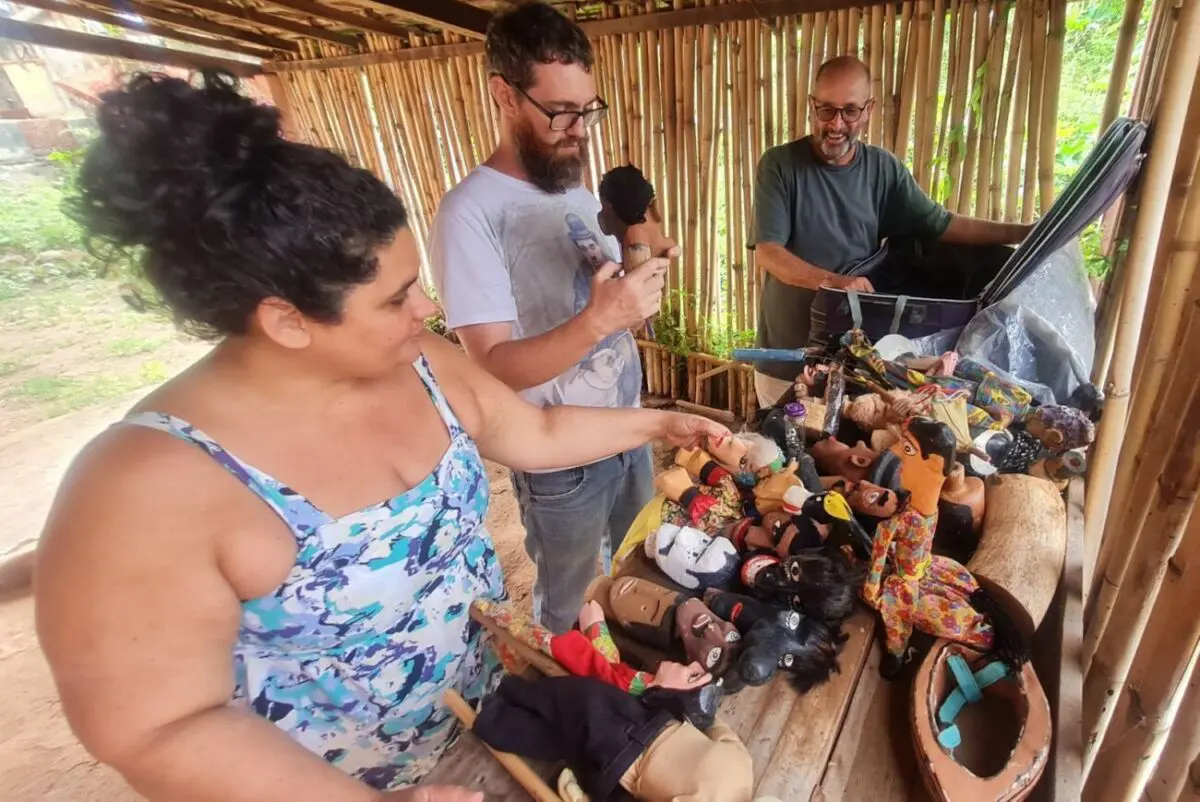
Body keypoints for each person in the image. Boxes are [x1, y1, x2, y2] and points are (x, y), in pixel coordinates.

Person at [33, 70, 731, 802]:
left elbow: (538, 430)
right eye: (397, 297)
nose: (426, 307)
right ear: (286, 320)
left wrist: (663, 422)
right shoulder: (145, 485)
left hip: (500, 724)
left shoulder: (418, 361)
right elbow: (157, 727)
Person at [430, 2, 669, 635]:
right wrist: (599, 321)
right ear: (504, 96)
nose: (578, 128)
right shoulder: (469, 214)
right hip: (559, 463)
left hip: (625, 430)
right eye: (560, 111)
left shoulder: (574, 190)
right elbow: (494, 368)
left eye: (587, 109)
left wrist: (637, 274)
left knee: (643, 574)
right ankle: (573, 711)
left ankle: (633, 697)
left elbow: (607, 300)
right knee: (568, 610)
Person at [749, 56, 1033, 408]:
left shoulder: (883, 169)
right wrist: (835, 281)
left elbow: (940, 224)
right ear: (811, 106)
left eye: (850, 111)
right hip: (787, 358)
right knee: (783, 456)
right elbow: (769, 253)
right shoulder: (780, 165)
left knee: (847, 458)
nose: (836, 124)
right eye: (826, 110)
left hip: (856, 362)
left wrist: (1024, 233)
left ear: (869, 110)